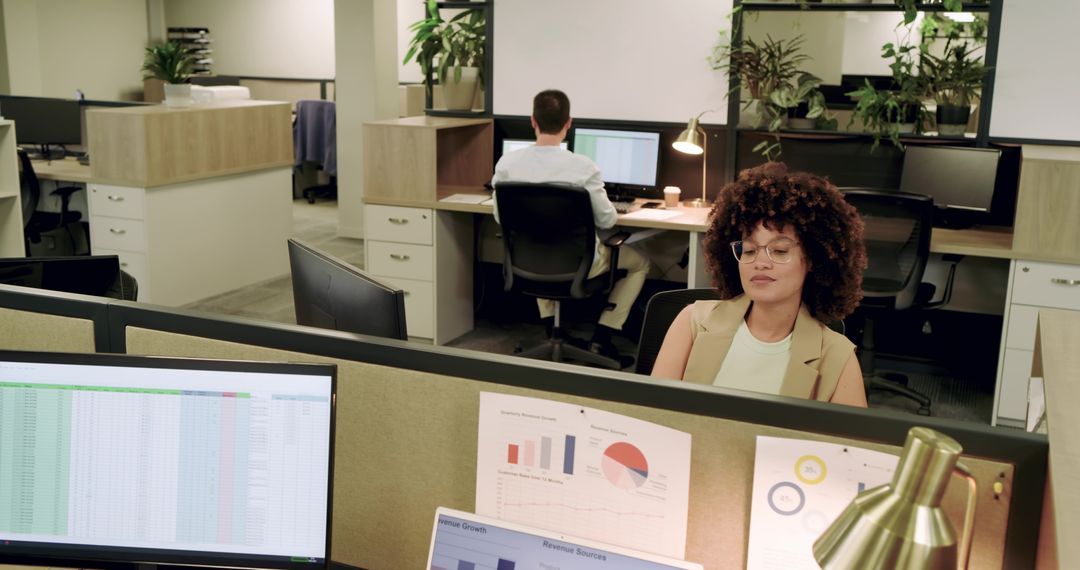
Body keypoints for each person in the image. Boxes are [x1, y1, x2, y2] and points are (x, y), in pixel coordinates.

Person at [651, 162, 868, 407]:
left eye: (779, 250)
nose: (760, 263)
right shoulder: (692, 322)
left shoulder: (837, 357)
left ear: (813, 260)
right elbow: (653, 417)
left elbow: (849, 445)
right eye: (750, 249)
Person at [491, 89, 650, 367]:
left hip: (525, 265)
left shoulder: (507, 164)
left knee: (541, 244)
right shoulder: (582, 167)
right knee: (641, 262)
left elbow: (499, 217)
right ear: (568, 123)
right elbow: (607, 221)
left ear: (532, 121)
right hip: (578, 267)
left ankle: (551, 331)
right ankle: (604, 335)